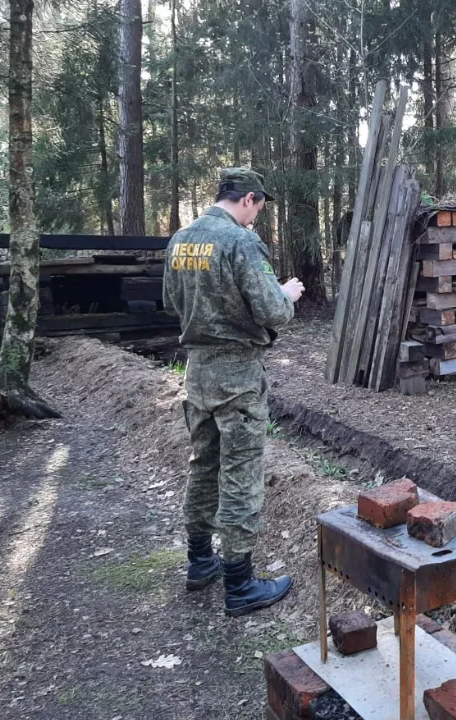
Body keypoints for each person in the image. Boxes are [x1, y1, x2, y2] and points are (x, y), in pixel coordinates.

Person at [163, 167, 305, 617]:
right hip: (237, 375)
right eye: (258, 207)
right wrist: (286, 293)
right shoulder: (240, 242)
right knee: (240, 473)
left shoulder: (181, 239)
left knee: (202, 465)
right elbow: (271, 311)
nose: (257, 217)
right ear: (248, 199)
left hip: (197, 372)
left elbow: (171, 302)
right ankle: (240, 584)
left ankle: (200, 562)